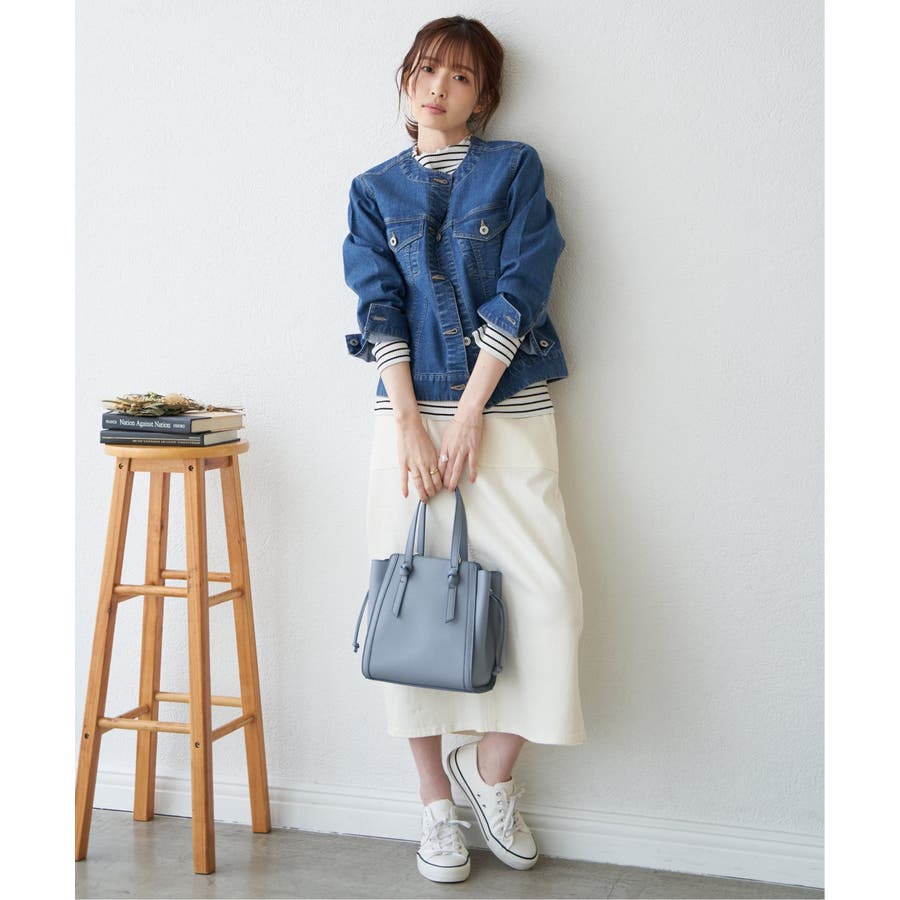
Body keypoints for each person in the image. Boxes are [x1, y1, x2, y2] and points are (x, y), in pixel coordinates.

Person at [342, 15, 586, 884]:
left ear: (484, 98)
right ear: (406, 81)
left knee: (550, 602)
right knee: (406, 608)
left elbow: (525, 284)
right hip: (406, 414)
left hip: (506, 408)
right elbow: (377, 305)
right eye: (426, 70)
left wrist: (471, 410)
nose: (438, 88)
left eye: (460, 77)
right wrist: (412, 422)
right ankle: (433, 809)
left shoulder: (514, 169)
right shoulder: (373, 189)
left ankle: (488, 774)